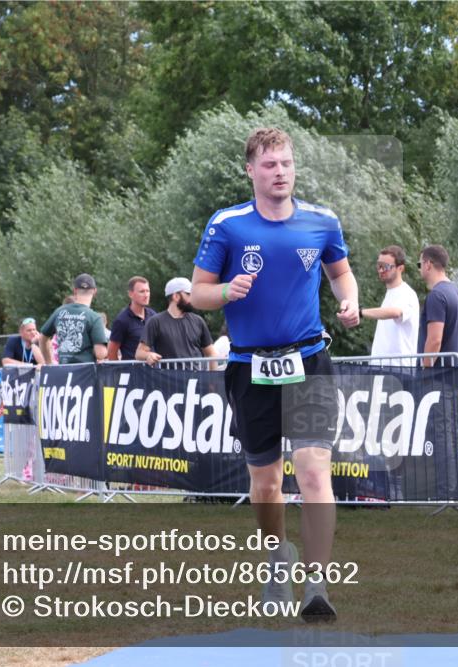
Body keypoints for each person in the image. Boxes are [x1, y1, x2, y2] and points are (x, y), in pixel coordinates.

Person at [189, 126, 359, 622]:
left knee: (312, 471)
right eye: (269, 165)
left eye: (285, 163)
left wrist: (349, 300)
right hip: (249, 366)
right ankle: (275, 556)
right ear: (250, 171)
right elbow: (197, 292)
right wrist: (225, 292)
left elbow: (340, 272)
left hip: (308, 361)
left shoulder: (322, 221)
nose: (279, 172)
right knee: (265, 485)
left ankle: (317, 585)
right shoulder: (228, 226)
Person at [135, 278, 217, 369]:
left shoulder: (198, 321)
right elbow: (139, 353)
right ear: (176, 296)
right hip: (169, 381)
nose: (193, 298)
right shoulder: (155, 321)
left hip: (196, 380)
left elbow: (211, 353)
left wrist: (212, 381)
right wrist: (148, 355)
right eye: (188, 294)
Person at [360, 245, 419, 366]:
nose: (381, 270)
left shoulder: (407, 293)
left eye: (386, 267)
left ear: (400, 268)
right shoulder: (390, 293)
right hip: (381, 366)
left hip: (398, 368)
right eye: (379, 266)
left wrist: (361, 312)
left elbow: (395, 312)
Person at [417, 245, 458, 367]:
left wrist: (426, 369)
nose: (419, 269)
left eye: (419, 265)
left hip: (438, 377)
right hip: (455, 372)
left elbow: (435, 340)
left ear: (428, 264)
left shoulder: (436, 295)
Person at [39, 274, 108, 364]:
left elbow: (43, 338)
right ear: (94, 291)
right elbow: (100, 353)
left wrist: (48, 363)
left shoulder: (59, 311)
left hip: (63, 371)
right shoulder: (94, 317)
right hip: (85, 373)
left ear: (75, 290)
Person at [107, 276, 157, 361]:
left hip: (153, 371)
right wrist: (118, 370)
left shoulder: (153, 315)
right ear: (130, 294)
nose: (146, 295)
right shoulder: (122, 320)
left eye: (147, 291)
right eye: (142, 291)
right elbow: (112, 351)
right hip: (132, 371)